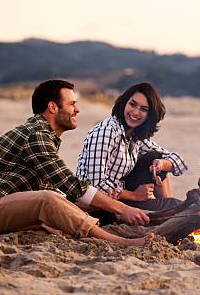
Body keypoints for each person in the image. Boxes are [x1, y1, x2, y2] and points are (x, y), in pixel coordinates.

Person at [0, 79, 153, 247]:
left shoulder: (45, 136)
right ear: (53, 107)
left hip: (7, 207)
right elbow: (70, 184)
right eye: (72, 104)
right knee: (48, 199)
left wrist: (95, 204)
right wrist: (124, 208)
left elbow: (58, 189)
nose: (77, 109)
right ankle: (120, 241)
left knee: (61, 204)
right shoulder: (35, 135)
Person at [76, 82, 187, 223]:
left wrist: (162, 164)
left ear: (150, 115)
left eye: (143, 109)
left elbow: (177, 160)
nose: (135, 112)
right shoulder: (107, 132)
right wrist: (134, 195)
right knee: (174, 206)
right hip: (98, 206)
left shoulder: (134, 135)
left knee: (154, 158)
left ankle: (169, 214)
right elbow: (94, 186)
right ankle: (170, 215)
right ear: (124, 103)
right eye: (132, 104)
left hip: (119, 196)